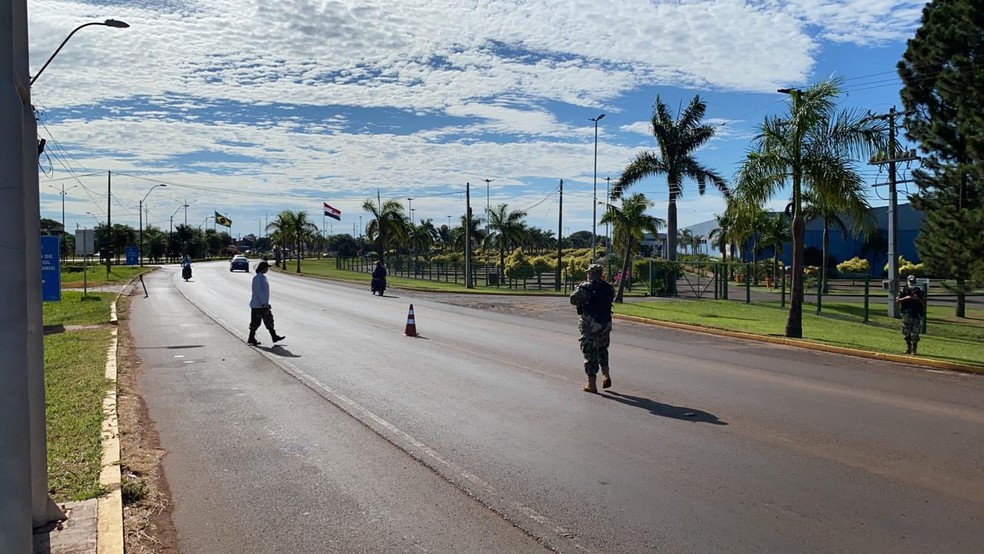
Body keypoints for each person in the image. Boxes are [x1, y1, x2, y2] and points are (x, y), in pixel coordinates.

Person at [570, 264, 616, 392]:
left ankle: (592, 384)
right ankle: (606, 374)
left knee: (590, 352)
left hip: (590, 324)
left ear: (591, 273)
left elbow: (573, 299)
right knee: (602, 349)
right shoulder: (609, 287)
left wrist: (578, 287)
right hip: (605, 323)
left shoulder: (586, 288)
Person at [248, 260, 285, 346]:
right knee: (256, 323)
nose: (267, 269)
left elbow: (264, 292)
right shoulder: (257, 278)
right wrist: (264, 303)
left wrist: (266, 303)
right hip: (257, 305)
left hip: (263, 305)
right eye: (266, 267)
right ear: (263, 268)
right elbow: (259, 292)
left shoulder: (262, 277)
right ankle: (251, 338)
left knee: (269, 320)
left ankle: (274, 336)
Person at [895, 274, 924, 355]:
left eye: (913, 282)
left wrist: (918, 299)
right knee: (906, 332)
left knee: (916, 332)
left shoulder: (919, 291)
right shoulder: (903, 290)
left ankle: (914, 349)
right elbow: (897, 301)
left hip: (916, 314)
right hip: (906, 314)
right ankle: (908, 347)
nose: (911, 283)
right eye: (910, 281)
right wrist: (906, 298)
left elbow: (924, 302)